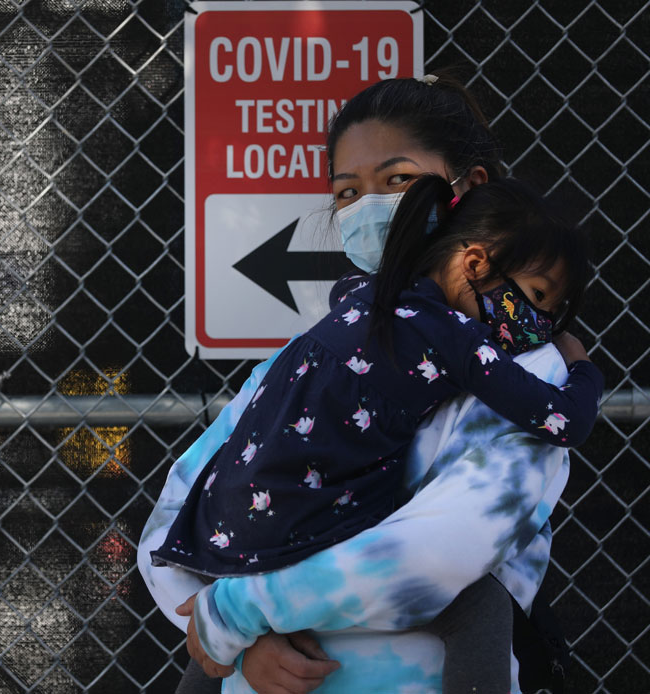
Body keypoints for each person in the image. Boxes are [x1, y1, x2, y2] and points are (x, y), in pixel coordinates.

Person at [138, 73, 587, 694]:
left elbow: (442, 551)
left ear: (470, 190)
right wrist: (244, 650)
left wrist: (241, 613)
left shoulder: (528, 372)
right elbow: (171, 526)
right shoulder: (303, 357)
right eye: (347, 192)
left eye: (398, 180)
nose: (370, 206)